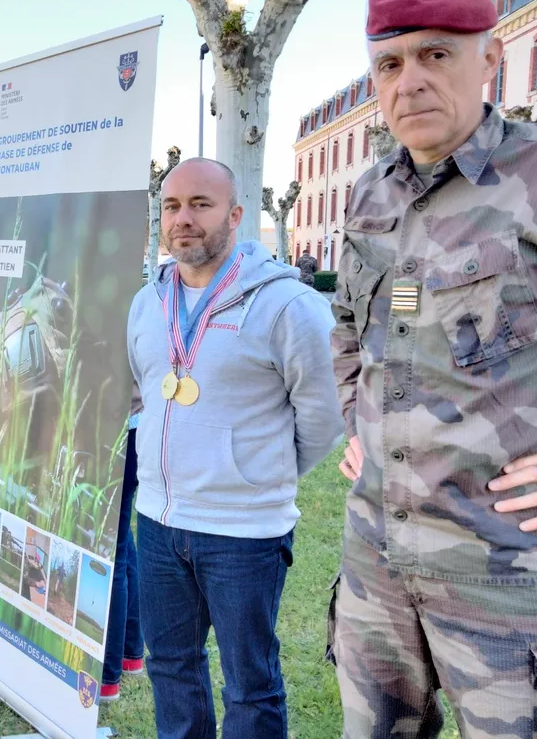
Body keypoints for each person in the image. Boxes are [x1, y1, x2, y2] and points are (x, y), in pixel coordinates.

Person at [330, 0, 537, 739]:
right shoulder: (371, 194)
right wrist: (362, 420)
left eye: (436, 55)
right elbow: (349, 324)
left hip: (506, 585)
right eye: (390, 63)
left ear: (489, 60)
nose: (410, 81)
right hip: (376, 570)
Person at [127, 157, 343, 738]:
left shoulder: (287, 305)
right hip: (158, 522)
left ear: (236, 215)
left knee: (249, 685)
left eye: (201, 204)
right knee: (170, 665)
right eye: (172, 206)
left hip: (244, 531)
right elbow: (144, 393)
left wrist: (256, 471)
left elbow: (324, 413)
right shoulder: (148, 303)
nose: (183, 219)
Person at [99, 384, 145, 704]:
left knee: (109, 545)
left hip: (115, 425)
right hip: (134, 422)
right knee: (121, 540)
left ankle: (106, 675)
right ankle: (130, 653)